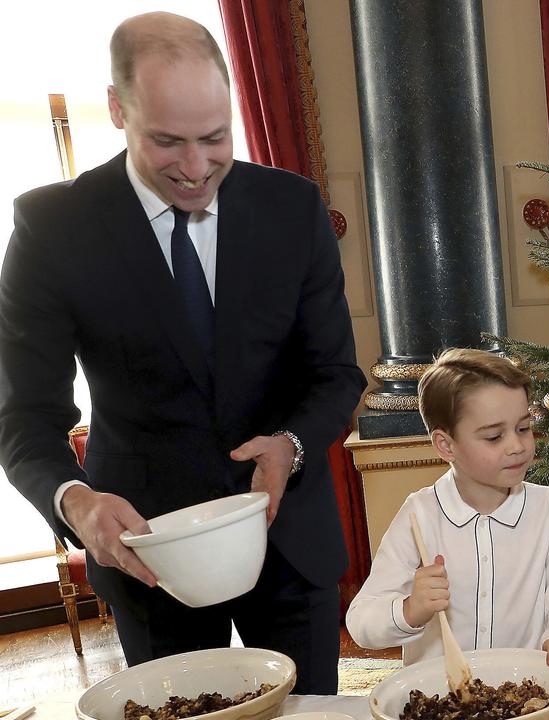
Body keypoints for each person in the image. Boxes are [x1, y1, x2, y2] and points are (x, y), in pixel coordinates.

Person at [0, 13, 366, 693]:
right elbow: (22, 417)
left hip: (288, 542)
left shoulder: (293, 208)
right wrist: (76, 502)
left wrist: (290, 444)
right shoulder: (52, 229)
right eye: (167, 142)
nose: (197, 169)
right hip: (146, 555)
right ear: (117, 109)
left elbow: (336, 374)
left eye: (215, 138)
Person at [346, 349, 549, 667]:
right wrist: (410, 609)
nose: (517, 446)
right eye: (493, 436)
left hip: (524, 692)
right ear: (446, 445)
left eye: (523, 428)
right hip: (441, 701)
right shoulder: (418, 515)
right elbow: (361, 622)